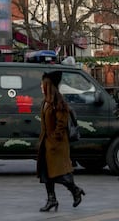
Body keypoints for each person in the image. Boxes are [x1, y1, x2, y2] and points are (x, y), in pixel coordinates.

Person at [37, 72, 85, 212]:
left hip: (56, 145)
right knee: (45, 173)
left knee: (59, 174)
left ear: (49, 86)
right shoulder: (46, 102)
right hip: (46, 144)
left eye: (43, 84)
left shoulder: (59, 103)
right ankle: (52, 199)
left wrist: (54, 139)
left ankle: (75, 190)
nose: (41, 86)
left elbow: (62, 124)